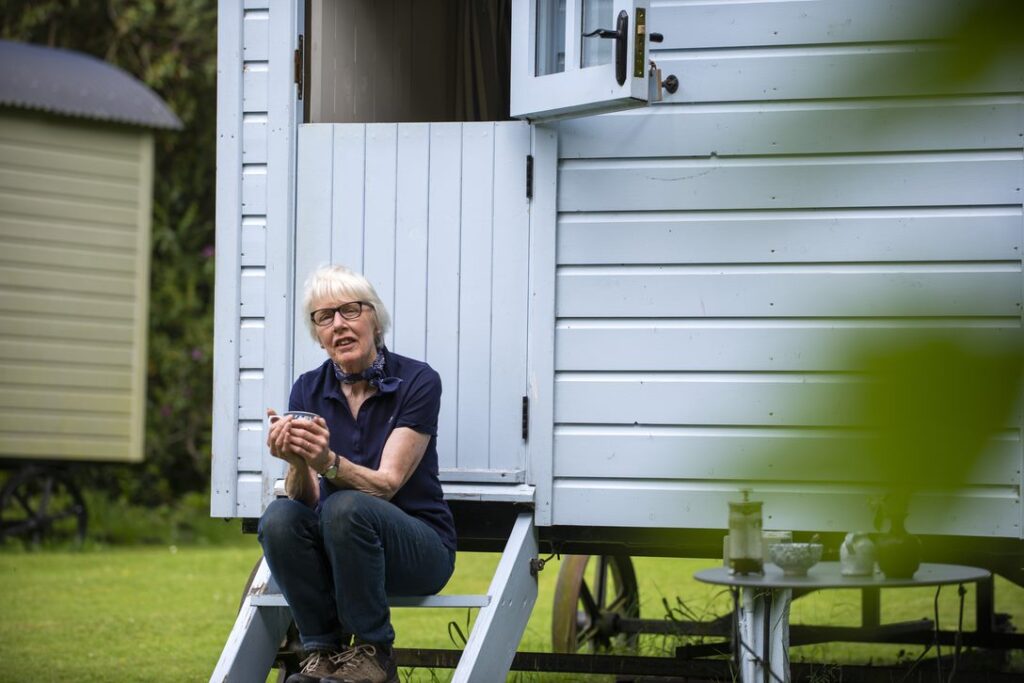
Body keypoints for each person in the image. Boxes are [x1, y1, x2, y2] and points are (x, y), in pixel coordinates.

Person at [258, 265, 456, 683]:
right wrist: (295, 461)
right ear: (317, 333)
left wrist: (328, 461)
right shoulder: (307, 388)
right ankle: (322, 652)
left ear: (374, 318)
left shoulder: (418, 381)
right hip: (340, 545)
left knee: (347, 506)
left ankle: (373, 654)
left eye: (350, 310)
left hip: (417, 550)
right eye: (324, 317)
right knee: (278, 518)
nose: (339, 325)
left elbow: (386, 485)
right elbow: (306, 501)